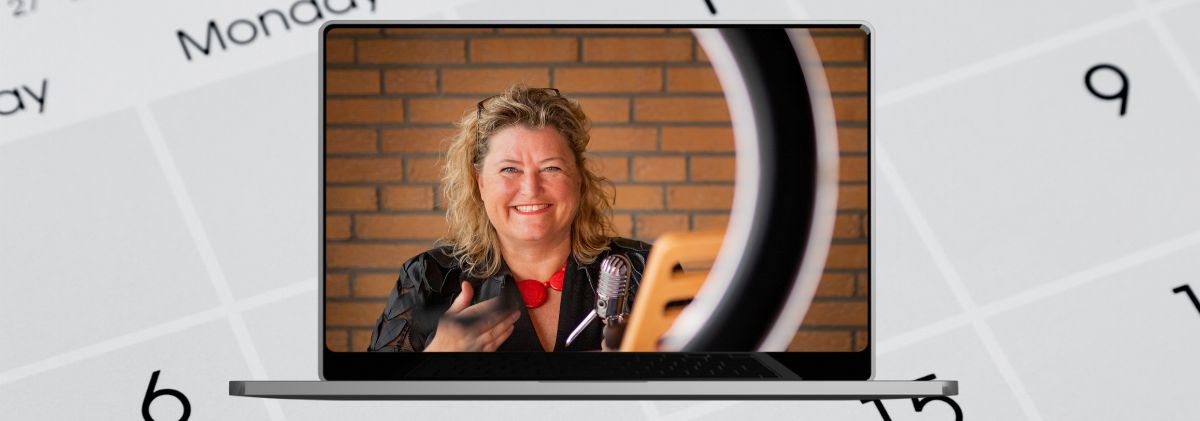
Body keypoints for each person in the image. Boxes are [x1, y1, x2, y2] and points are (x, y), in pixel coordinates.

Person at [367, 85, 650, 352]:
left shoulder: (645, 269)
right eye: (510, 170)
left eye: (551, 168)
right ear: (480, 183)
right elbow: (370, 403)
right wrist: (438, 360)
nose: (531, 189)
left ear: (578, 179)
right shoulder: (427, 279)